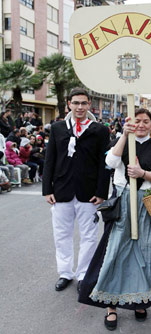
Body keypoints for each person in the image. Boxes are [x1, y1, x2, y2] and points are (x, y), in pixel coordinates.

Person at [79, 108, 151, 331]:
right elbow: (110, 161)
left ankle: (139, 301)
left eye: (146, 121)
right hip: (123, 204)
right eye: (137, 121)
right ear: (130, 122)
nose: (142, 124)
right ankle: (111, 306)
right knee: (115, 253)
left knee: (144, 255)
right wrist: (124, 136)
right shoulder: (122, 140)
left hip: (148, 205)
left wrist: (143, 173)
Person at [42, 87, 111, 293]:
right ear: (69, 104)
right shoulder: (58, 128)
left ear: (89, 104)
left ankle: (83, 275)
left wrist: (101, 192)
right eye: (76, 103)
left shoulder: (99, 130)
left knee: (89, 236)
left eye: (83, 103)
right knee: (61, 235)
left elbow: (104, 164)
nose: (79, 107)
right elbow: (50, 160)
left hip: (88, 193)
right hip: (61, 191)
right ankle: (65, 273)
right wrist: (47, 189)